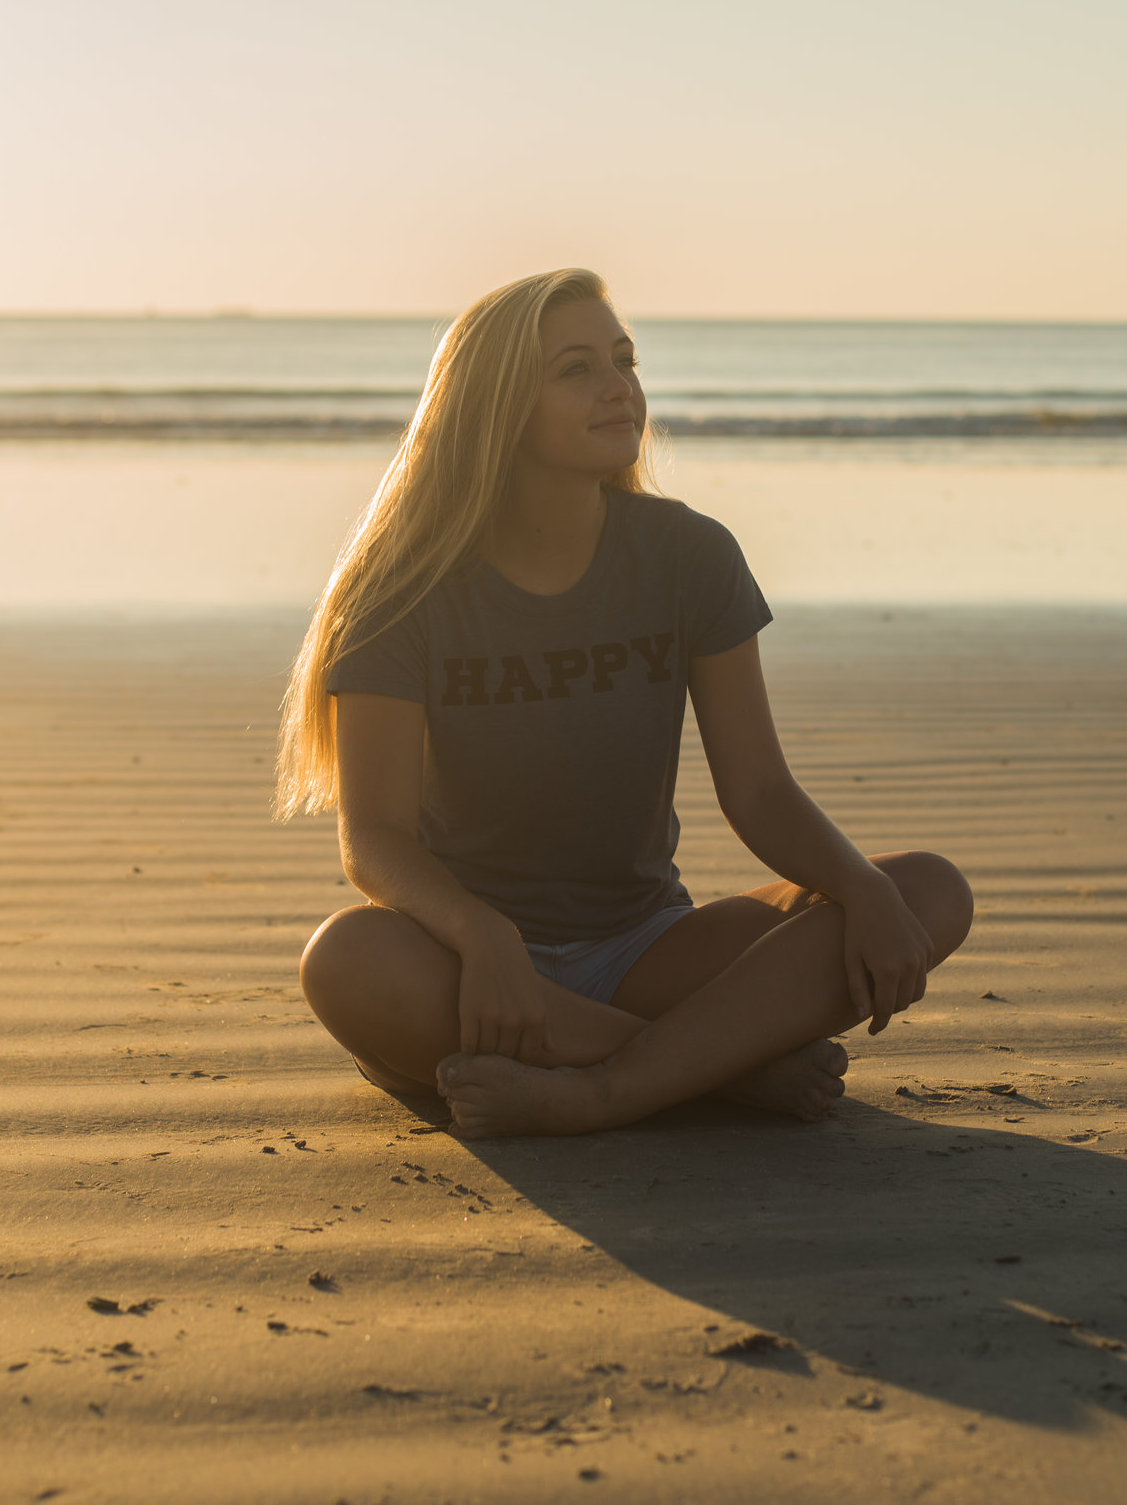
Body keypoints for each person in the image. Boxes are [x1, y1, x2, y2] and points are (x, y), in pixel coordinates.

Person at [277, 268, 973, 1138]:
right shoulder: (402, 593)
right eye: (576, 369)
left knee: (926, 890)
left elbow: (758, 792)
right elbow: (372, 838)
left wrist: (862, 888)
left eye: (624, 358)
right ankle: (710, 1070)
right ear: (496, 407)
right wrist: (483, 934)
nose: (619, 388)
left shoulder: (690, 557)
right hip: (468, 967)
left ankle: (600, 1085)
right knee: (344, 958)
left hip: (646, 949)